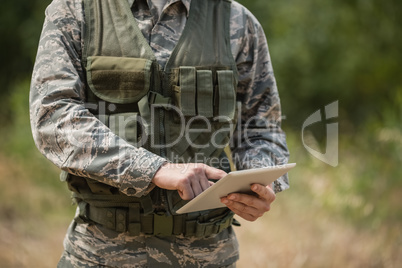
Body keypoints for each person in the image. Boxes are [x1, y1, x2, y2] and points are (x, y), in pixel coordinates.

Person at [30, 0, 290, 267]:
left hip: (207, 256)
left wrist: (258, 184)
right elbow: (53, 117)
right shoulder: (76, 11)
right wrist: (153, 169)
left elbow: (261, 127)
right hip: (101, 254)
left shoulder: (236, 21)